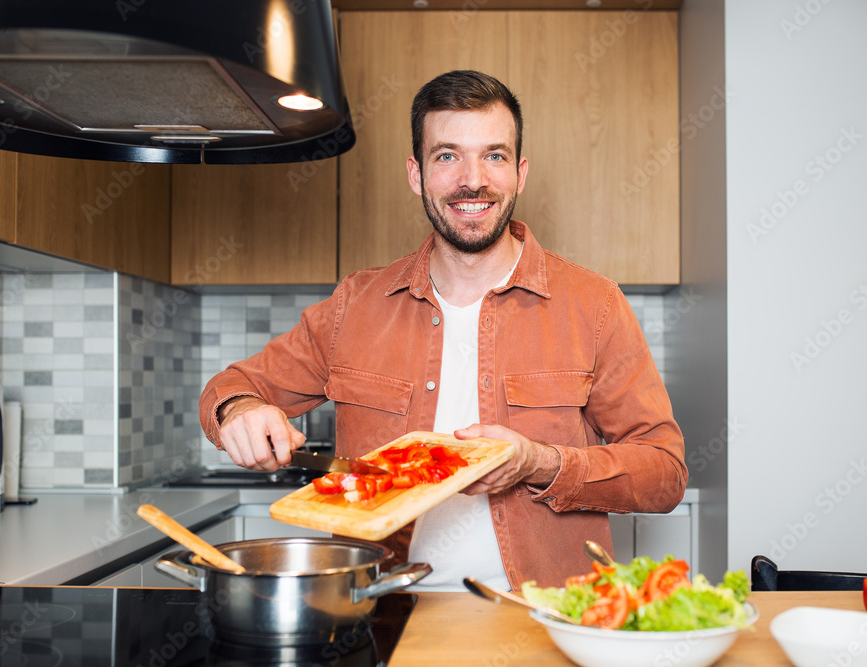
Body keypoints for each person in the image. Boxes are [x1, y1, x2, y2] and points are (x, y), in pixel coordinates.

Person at [200, 70, 687, 590]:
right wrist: (242, 411)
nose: (472, 179)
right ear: (416, 174)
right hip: (381, 611)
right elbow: (229, 388)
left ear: (521, 173)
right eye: (447, 155)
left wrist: (541, 463)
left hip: (543, 620)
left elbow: (664, 474)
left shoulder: (595, 305)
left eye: (494, 156)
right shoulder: (355, 305)